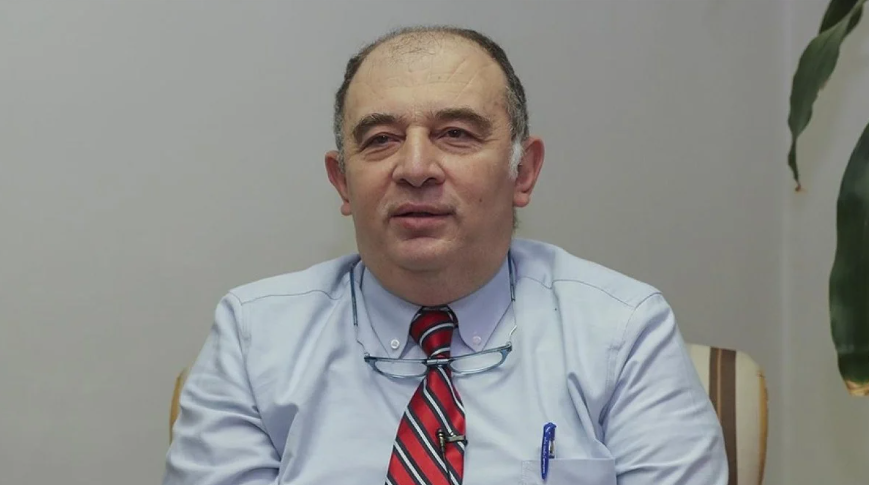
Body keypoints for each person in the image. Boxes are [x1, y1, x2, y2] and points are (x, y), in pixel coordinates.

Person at [162, 25, 728, 485]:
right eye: (381, 139)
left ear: (523, 172)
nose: (415, 168)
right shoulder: (254, 336)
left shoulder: (623, 332)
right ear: (342, 182)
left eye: (455, 133)